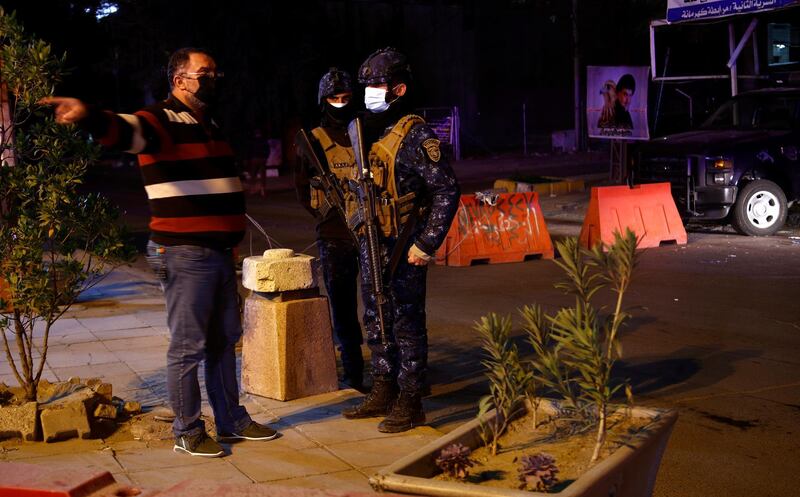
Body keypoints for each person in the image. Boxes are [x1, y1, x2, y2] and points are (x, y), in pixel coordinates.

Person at [41, 47, 278, 458]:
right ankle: (187, 430)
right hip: (186, 252)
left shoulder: (209, 123)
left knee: (224, 341)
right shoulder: (161, 119)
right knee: (189, 345)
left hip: (219, 252)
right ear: (180, 79)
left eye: (216, 72)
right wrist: (90, 116)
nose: (214, 79)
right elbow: (126, 130)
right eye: (205, 72)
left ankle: (232, 420)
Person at [341, 47, 460, 433]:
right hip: (373, 241)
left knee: (407, 323)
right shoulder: (369, 131)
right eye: (367, 85)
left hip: (403, 244)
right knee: (376, 318)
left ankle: (410, 400)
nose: (369, 92)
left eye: (377, 85)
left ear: (400, 88)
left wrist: (426, 243)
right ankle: (383, 388)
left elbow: (446, 189)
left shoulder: (416, 134)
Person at [294, 67, 366, 392]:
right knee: (343, 308)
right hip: (334, 235)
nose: (340, 103)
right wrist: (325, 215)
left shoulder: (363, 133)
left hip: (368, 231)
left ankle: (384, 370)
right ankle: (354, 371)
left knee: (379, 303)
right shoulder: (314, 140)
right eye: (334, 98)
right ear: (324, 101)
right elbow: (301, 189)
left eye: (346, 98)